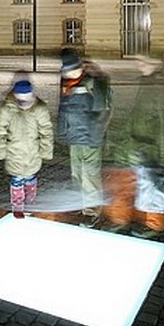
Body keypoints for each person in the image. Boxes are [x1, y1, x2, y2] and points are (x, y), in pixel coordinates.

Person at [102, 56, 164, 238]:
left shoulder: (161, 88)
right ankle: (120, 219)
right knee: (125, 183)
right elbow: (135, 115)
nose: (139, 65)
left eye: (144, 62)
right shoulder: (146, 83)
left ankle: (153, 225)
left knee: (151, 189)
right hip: (133, 144)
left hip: (149, 146)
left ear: (156, 63)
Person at [55, 48, 112, 227]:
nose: (69, 73)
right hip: (74, 137)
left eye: (73, 69)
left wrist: (95, 136)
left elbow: (102, 112)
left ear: (80, 66)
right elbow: (63, 107)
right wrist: (62, 129)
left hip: (90, 139)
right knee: (77, 173)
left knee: (90, 175)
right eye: (67, 70)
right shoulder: (66, 82)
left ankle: (92, 210)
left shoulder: (93, 83)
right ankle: (80, 204)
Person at [0, 78, 53, 219]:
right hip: (15, 153)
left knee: (30, 180)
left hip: (33, 153)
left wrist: (46, 151)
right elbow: (0, 130)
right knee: (17, 181)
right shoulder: (7, 109)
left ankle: (30, 204)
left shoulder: (39, 108)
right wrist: (0, 151)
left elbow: (46, 131)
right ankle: (17, 207)